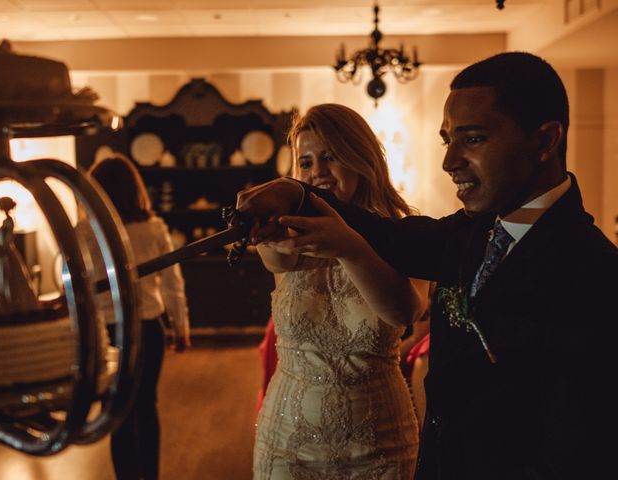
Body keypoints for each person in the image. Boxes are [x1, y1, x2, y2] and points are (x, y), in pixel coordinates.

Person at [237, 52, 618, 479]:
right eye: (447, 140)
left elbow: (580, 448)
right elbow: (391, 237)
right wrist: (295, 193)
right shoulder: (470, 231)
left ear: (545, 141)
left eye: (472, 139)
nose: (449, 161)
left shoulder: (597, 274)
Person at [253, 103, 428, 479]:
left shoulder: (404, 233)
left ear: (360, 158)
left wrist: (349, 246)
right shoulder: (288, 237)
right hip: (288, 441)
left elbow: (403, 312)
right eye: (306, 162)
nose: (318, 172)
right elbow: (276, 260)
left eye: (330, 157)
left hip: (379, 443)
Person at [83, 153, 190, 480]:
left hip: (108, 334)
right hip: (149, 328)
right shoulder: (154, 227)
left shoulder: (82, 232)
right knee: (147, 406)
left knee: (116, 414)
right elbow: (173, 283)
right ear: (135, 189)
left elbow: (79, 292)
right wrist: (181, 327)